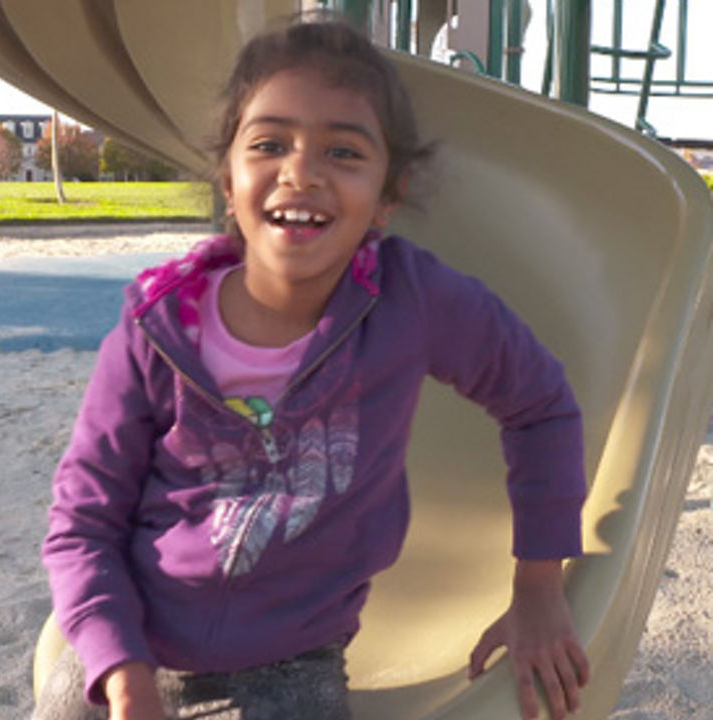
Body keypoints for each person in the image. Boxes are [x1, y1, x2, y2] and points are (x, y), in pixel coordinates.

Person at [35, 17, 590, 720]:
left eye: (343, 151)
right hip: (130, 642)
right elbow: (82, 520)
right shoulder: (155, 326)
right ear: (228, 180)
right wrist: (120, 670)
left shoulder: (412, 300)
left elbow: (540, 404)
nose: (301, 171)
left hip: (289, 663)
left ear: (389, 194)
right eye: (269, 144)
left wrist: (539, 588)